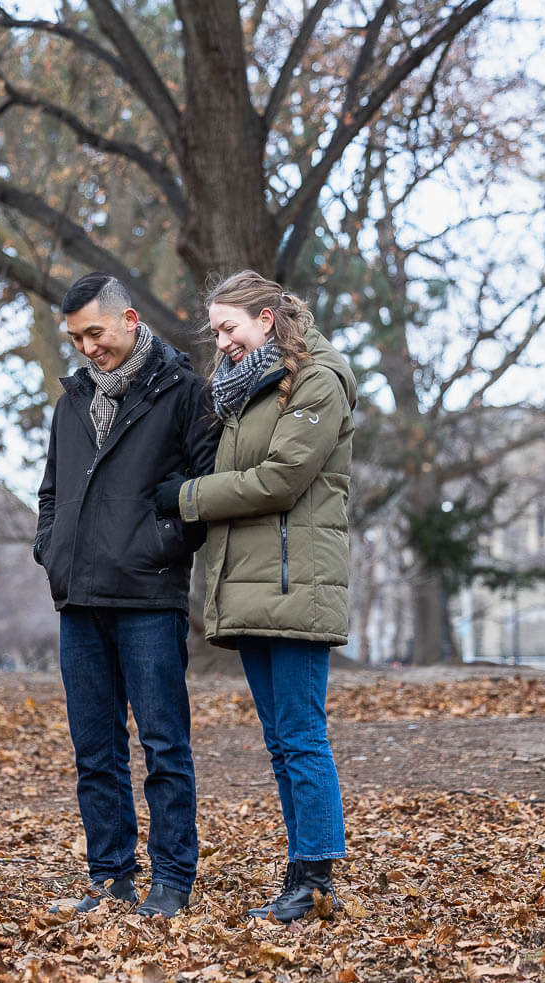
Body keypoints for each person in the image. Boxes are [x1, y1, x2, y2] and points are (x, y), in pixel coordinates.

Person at [153, 269, 355, 923]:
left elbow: (280, 480)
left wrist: (187, 499)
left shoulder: (318, 379)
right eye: (215, 331)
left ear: (267, 319)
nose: (222, 341)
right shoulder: (245, 391)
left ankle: (316, 879)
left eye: (229, 327)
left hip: (296, 585)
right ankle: (303, 873)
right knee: (281, 739)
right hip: (252, 585)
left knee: (301, 735)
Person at [34, 272, 220, 918]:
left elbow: (204, 491)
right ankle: (109, 877)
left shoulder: (184, 394)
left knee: (164, 745)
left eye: (95, 332)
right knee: (95, 750)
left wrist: (156, 547)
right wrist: (50, 550)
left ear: (130, 320)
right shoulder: (72, 400)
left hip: (148, 599)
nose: (87, 348)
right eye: (76, 338)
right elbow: (51, 492)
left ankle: (172, 879)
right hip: (79, 603)